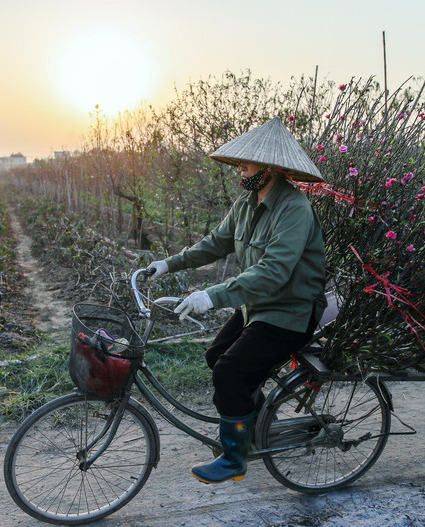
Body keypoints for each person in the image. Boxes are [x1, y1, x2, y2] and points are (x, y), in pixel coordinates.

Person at [148, 116, 328, 485]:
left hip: (290, 312)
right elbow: (216, 242)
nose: (240, 168)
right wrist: (169, 264)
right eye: (241, 161)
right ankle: (259, 425)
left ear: (272, 167)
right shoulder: (247, 202)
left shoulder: (294, 208)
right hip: (258, 308)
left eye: (248, 162)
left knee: (230, 372)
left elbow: (274, 272)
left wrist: (211, 296)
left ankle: (235, 457)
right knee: (216, 357)